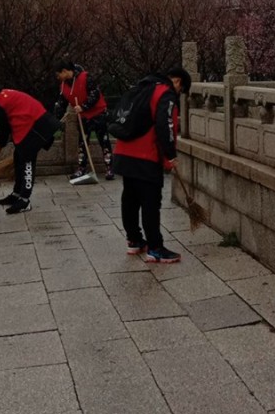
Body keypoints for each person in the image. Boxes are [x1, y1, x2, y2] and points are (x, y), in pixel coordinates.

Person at [111, 66, 192, 263]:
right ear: (178, 82)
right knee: (150, 202)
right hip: (146, 156)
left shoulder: (142, 87)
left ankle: (135, 240)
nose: (178, 94)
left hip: (123, 152)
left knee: (130, 198)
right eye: (181, 91)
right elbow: (166, 127)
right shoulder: (165, 93)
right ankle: (155, 248)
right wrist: (169, 156)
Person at [0, 84, 60, 214]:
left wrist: (0, 144)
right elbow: (6, 124)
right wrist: (0, 143)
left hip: (34, 121)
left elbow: (4, 128)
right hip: (29, 120)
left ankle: (25, 200)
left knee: (27, 161)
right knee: (18, 157)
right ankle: (17, 194)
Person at [54, 60, 114, 182]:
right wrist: (56, 119)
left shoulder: (85, 77)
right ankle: (82, 168)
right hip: (83, 117)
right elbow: (62, 102)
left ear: (65, 71)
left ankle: (109, 167)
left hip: (98, 113)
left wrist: (84, 106)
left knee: (104, 140)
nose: (58, 77)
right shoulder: (64, 85)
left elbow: (95, 94)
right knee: (82, 142)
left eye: (58, 74)